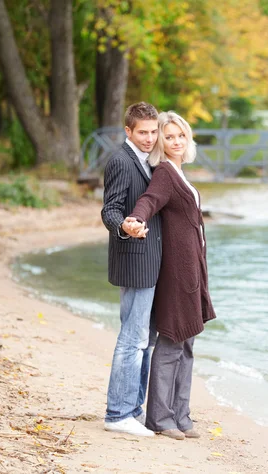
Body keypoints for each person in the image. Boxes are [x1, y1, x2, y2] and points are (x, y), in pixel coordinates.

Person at [126, 111, 216, 440]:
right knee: (172, 341)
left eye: (181, 136)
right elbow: (149, 200)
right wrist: (135, 219)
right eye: (169, 136)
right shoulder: (164, 172)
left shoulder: (181, 171)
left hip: (194, 268)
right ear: (161, 142)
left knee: (187, 343)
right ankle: (160, 418)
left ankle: (182, 415)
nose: (176, 142)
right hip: (177, 271)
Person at [100, 102, 162, 437]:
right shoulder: (121, 161)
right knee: (132, 338)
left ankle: (133, 409)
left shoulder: (150, 159)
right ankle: (118, 414)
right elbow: (109, 209)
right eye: (143, 132)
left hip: (149, 261)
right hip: (133, 259)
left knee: (144, 339)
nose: (150, 138)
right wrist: (124, 226)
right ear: (128, 131)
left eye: (154, 131)